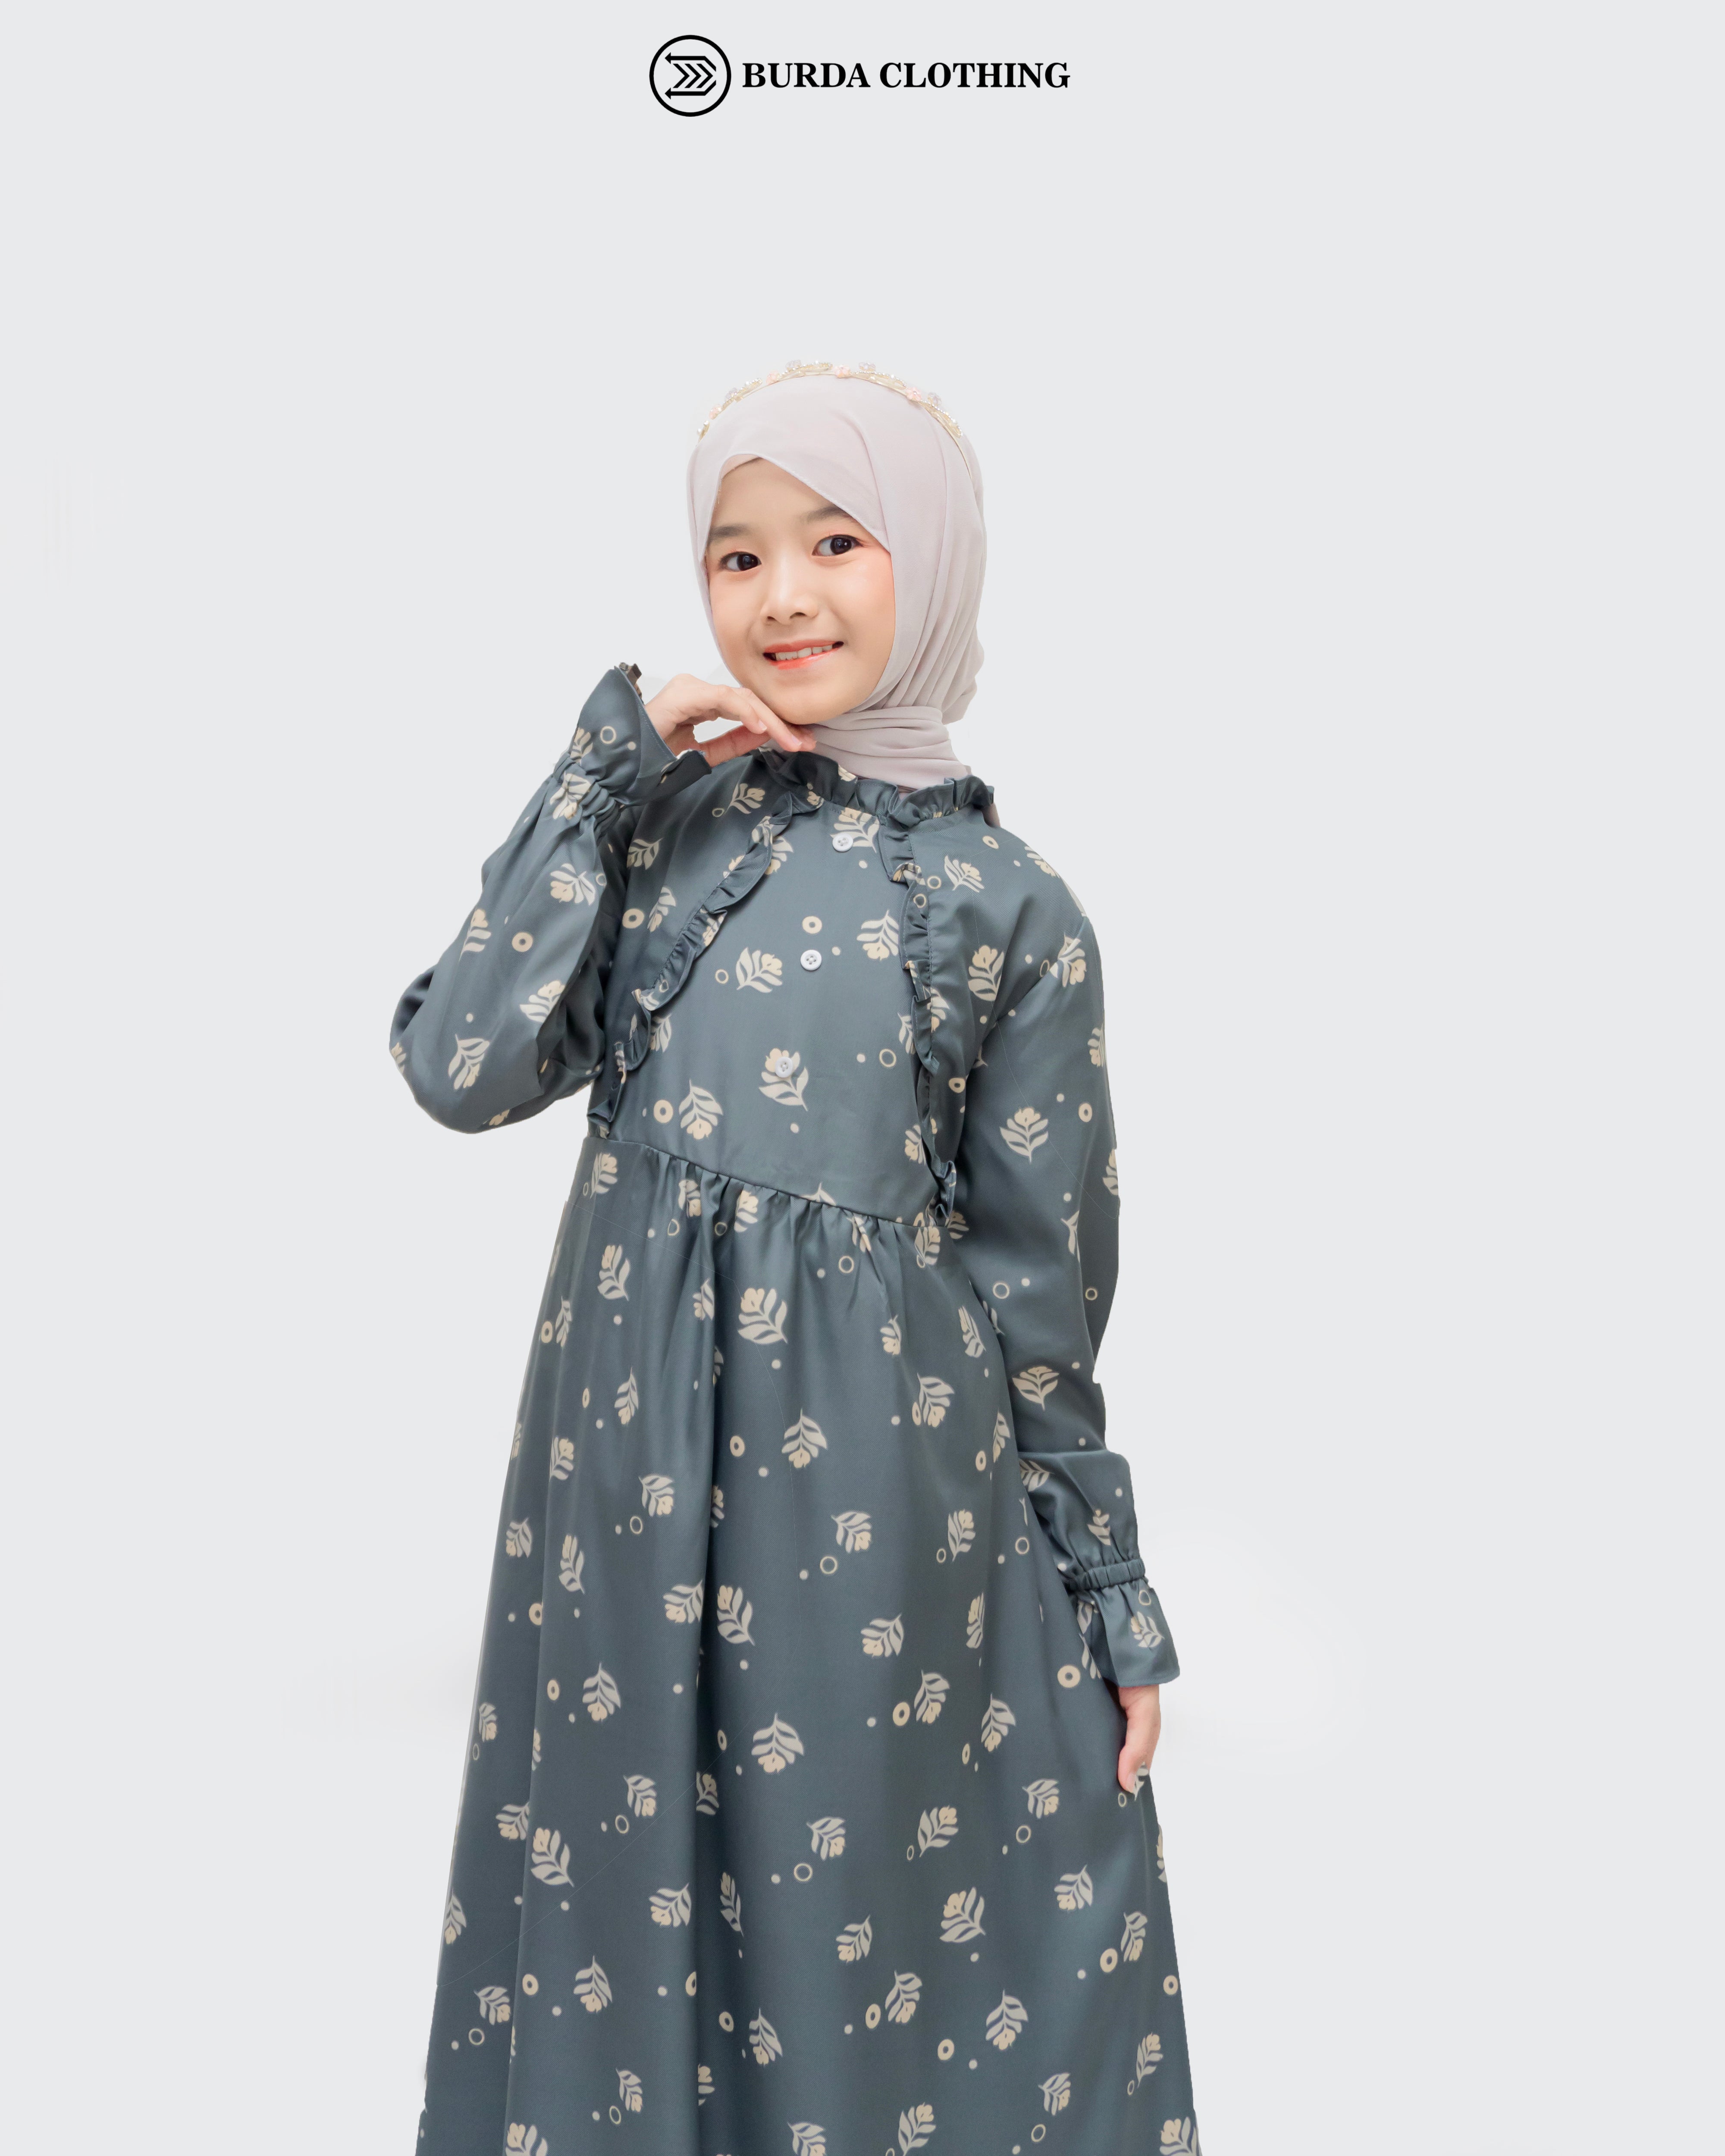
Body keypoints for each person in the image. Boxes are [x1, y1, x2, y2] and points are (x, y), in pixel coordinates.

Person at [391, 361, 1199, 2155]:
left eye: (838, 540)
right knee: (627, 1914)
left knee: (850, 1926)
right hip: (627, 1492)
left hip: (880, 1520)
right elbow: (457, 1063)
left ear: (936, 556)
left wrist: (1107, 1593)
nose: (782, 595)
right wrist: (599, 766)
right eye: (737, 554)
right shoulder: (661, 831)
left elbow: (1044, 1296)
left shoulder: (1015, 910)